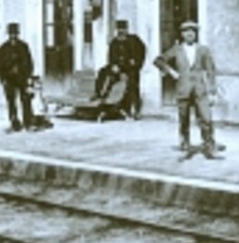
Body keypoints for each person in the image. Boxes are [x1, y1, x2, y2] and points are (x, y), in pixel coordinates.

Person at [153, 20, 221, 158]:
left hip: (200, 89)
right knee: (183, 118)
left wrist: (213, 91)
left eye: (192, 31)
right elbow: (158, 60)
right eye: (186, 32)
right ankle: (185, 143)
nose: (189, 34)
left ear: (196, 34)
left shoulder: (203, 50)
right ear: (182, 34)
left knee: (206, 118)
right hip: (183, 89)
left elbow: (210, 70)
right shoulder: (177, 49)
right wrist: (171, 72)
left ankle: (209, 146)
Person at [94, 18, 148, 118]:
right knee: (103, 71)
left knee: (132, 84)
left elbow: (142, 51)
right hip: (118, 67)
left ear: (127, 30)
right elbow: (110, 56)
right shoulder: (114, 42)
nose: (121, 32)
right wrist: (113, 65)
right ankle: (100, 94)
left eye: (123, 29)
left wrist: (137, 62)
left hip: (131, 67)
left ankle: (135, 110)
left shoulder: (134, 40)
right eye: (119, 29)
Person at [0, 21, 38, 132]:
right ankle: (14, 122)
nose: (13, 36)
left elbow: (29, 62)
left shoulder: (23, 47)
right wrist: (2, 79)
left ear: (18, 34)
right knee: (11, 102)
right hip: (9, 79)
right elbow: (0, 65)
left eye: (15, 34)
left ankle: (27, 122)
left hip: (21, 78)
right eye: (11, 34)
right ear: (8, 35)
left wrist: (28, 76)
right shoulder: (4, 48)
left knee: (26, 100)